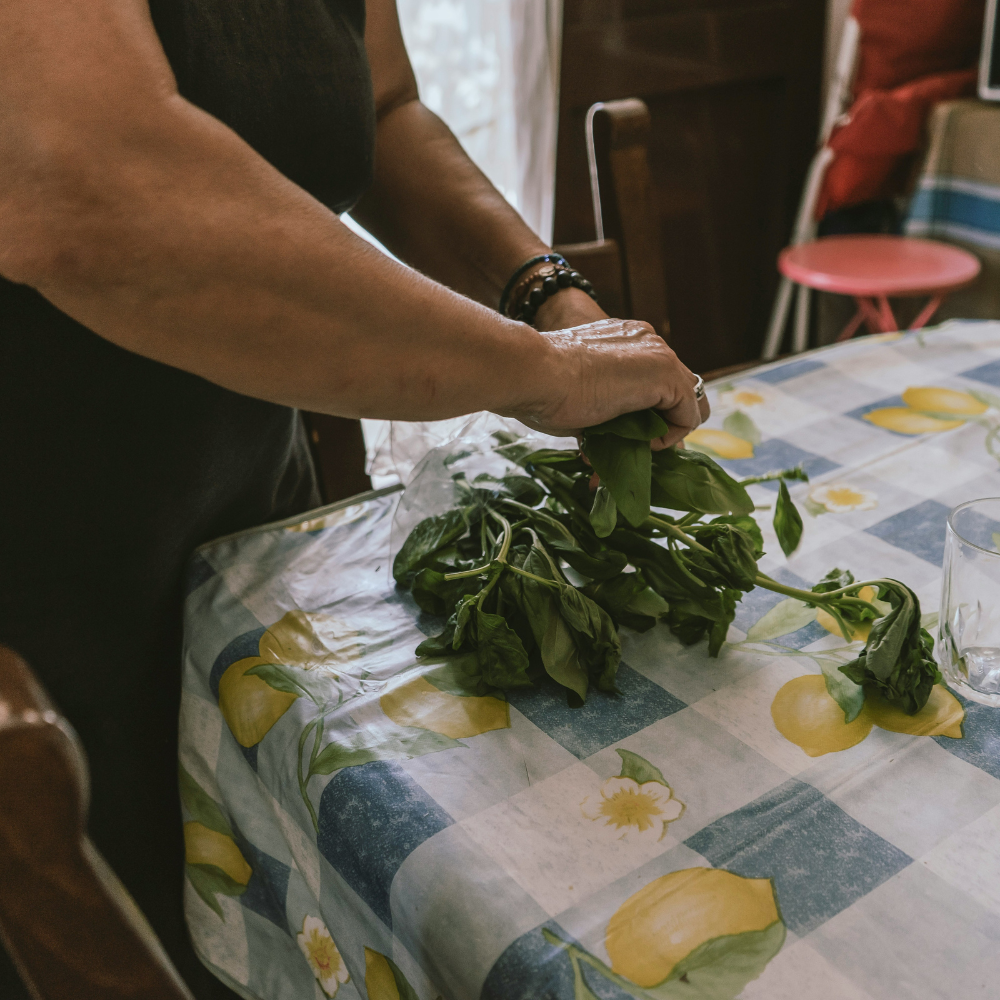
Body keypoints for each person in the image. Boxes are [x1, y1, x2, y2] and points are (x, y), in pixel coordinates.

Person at [0, 1, 708, 996]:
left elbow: (381, 108)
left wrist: (547, 296)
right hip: (35, 613)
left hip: (238, 549)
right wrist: (537, 373)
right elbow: (81, 183)